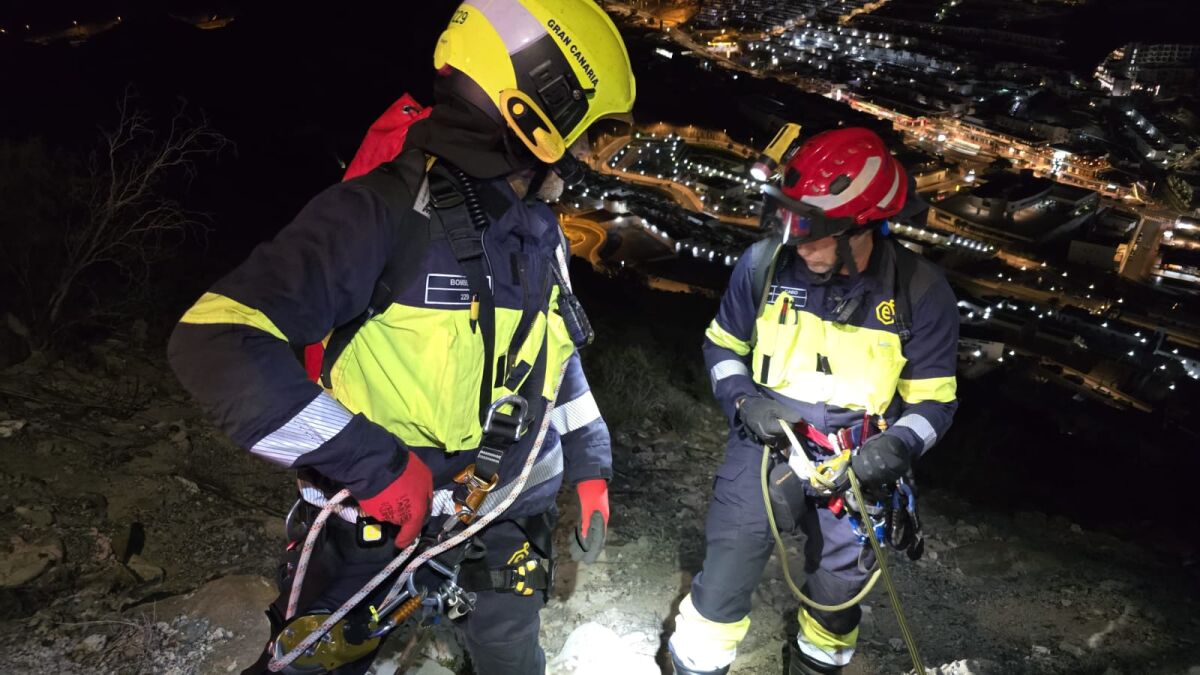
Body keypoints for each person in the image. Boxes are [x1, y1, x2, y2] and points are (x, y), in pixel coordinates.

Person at [167, 2, 635, 673]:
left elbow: (546, 357)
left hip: (505, 513)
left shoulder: (538, 231)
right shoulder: (381, 211)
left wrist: (591, 461)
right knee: (321, 661)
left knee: (512, 658)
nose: (590, 155)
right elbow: (214, 342)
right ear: (536, 110)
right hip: (380, 522)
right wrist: (375, 466)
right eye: (588, 133)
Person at [667, 127, 959, 675]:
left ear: (862, 227)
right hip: (766, 444)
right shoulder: (764, 266)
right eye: (792, 225)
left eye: (815, 232)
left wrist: (896, 447)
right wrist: (744, 402)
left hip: (859, 462)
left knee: (838, 597)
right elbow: (722, 346)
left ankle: (816, 664)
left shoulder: (919, 291)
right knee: (728, 568)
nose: (799, 244)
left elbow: (934, 402)